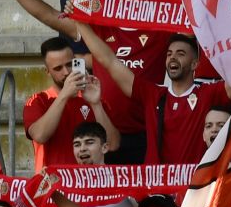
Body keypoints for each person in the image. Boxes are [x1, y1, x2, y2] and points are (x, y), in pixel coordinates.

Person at [73, 24, 220, 166]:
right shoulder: (153, 94)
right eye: (169, 54)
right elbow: (109, 61)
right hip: (156, 186)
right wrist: (80, 23)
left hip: (193, 186)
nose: (173, 57)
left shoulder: (208, 93)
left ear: (195, 64)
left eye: (180, 54)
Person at [23, 36, 122, 171]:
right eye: (58, 68)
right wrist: (64, 94)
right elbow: (40, 135)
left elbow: (113, 144)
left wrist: (96, 104)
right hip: (54, 186)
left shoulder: (93, 97)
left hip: (90, 185)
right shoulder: (38, 100)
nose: (66, 72)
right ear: (47, 71)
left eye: (70, 64)